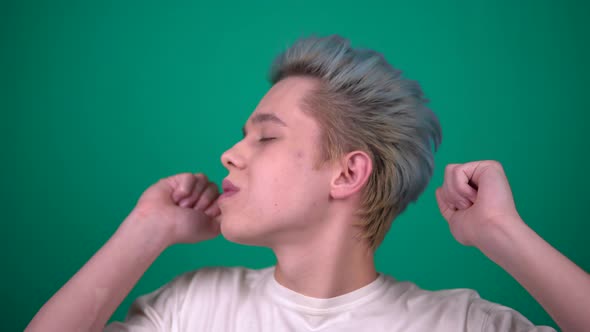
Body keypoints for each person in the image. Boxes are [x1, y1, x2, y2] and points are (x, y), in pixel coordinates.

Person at [26, 35, 589, 332]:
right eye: (240, 136)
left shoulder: (458, 323)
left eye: (265, 138)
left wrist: (501, 234)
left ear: (348, 173)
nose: (228, 154)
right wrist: (144, 231)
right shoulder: (194, 309)